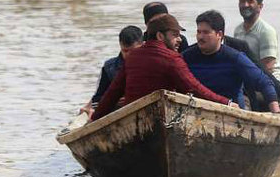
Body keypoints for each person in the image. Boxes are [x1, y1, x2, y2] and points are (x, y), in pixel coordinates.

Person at [91, 13, 236, 121]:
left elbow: (112, 93)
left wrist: (94, 118)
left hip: (134, 121)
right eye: (175, 35)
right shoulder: (172, 58)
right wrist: (226, 103)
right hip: (162, 120)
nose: (179, 39)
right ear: (160, 36)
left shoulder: (132, 57)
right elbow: (194, 88)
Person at [183, 10, 280, 113]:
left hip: (231, 111)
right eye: (199, 32)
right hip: (196, 110)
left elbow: (264, 82)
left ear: (219, 34)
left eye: (206, 32)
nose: (200, 37)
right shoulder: (187, 56)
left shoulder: (235, 58)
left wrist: (276, 111)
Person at [79, 25, 143, 115]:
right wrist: (113, 101)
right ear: (120, 46)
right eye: (125, 51)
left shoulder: (150, 63)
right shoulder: (109, 67)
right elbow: (97, 100)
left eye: (133, 51)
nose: (129, 55)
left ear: (142, 45)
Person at [234, 0, 280, 77]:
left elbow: (267, 67)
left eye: (250, 1)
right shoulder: (238, 30)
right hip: (246, 79)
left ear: (260, 6)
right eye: (242, 1)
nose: (245, 5)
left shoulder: (266, 31)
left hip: (267, 81)